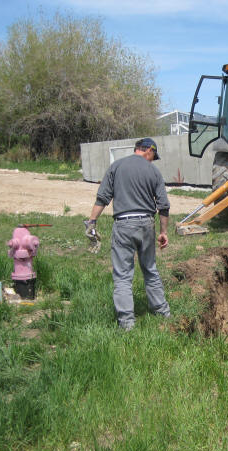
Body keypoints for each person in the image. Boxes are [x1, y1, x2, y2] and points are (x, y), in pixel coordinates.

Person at [84, 137, 171, 330]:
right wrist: (164, 231)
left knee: (123, 275)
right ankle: (163, 312)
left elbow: (103, 197)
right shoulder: (153, 171)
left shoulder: (116, 167)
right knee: (150, 268)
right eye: (153, 156)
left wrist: (92, 222)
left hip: (123, 224)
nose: (152, 160)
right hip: (147, 223)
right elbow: (163, 205)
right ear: (148, 150)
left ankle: (127, 323)